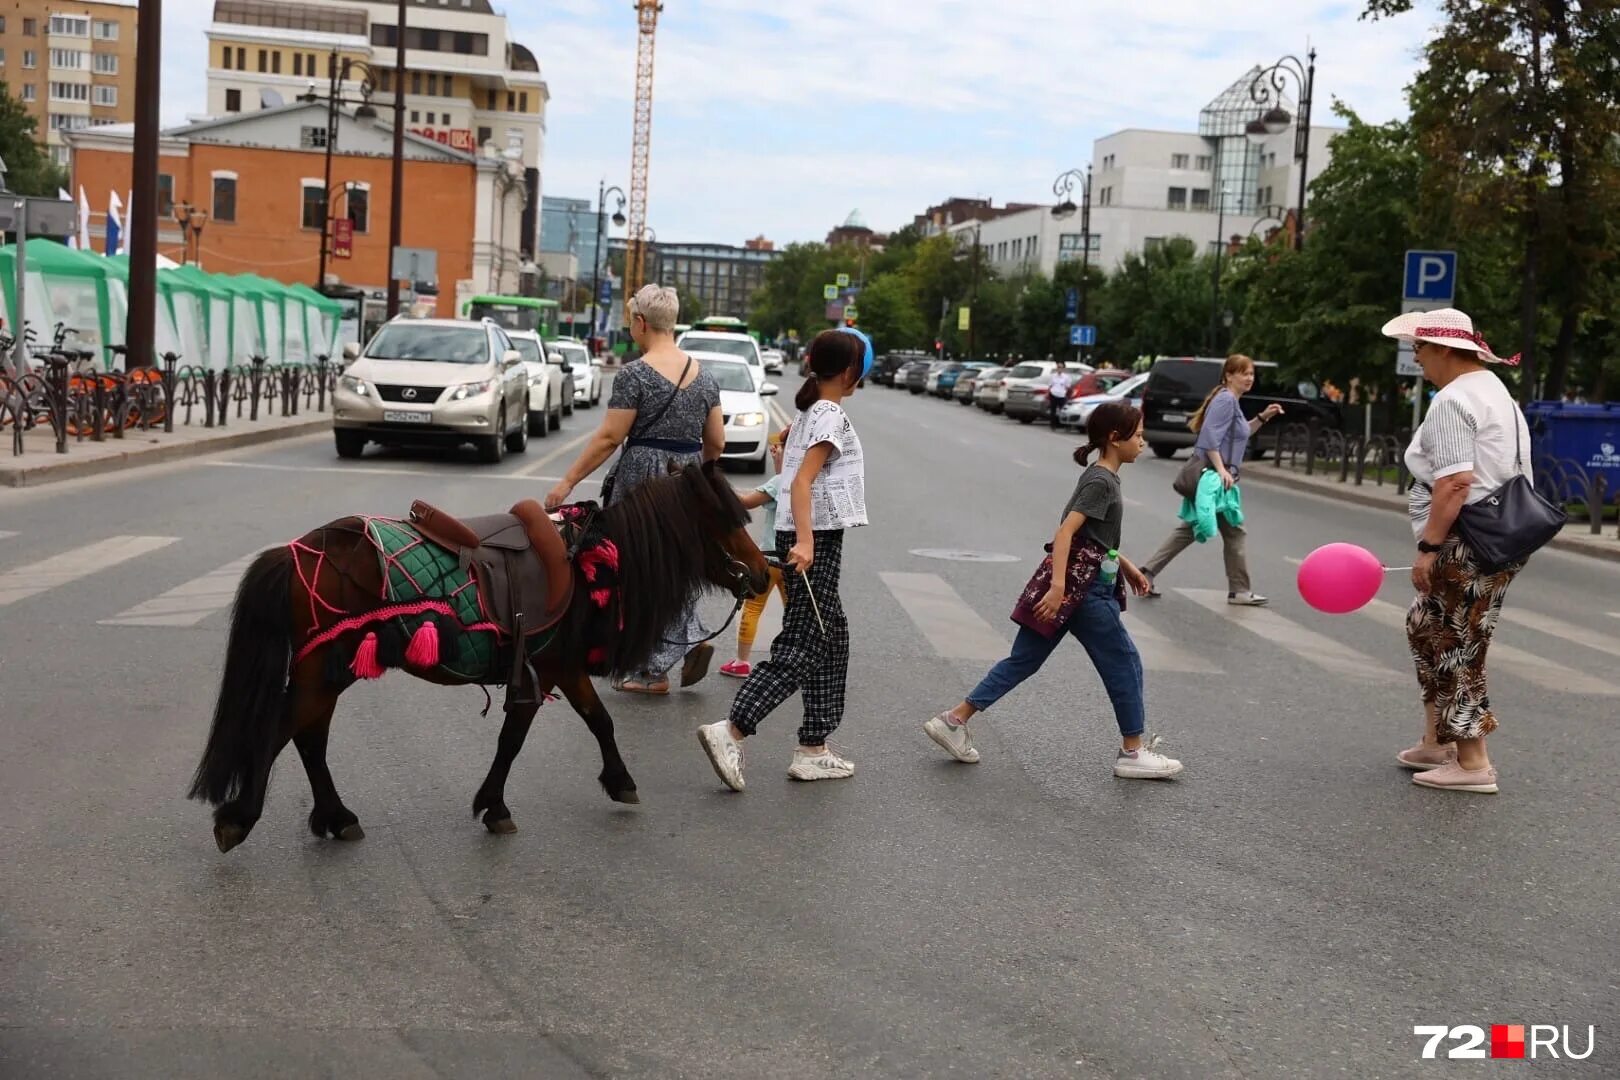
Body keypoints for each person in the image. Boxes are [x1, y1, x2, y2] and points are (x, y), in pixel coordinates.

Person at [921, 402, 1181, 779]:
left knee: (1023, 660)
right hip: (1085, 592)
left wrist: (1127, 566)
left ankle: (954, 720)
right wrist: (1059, 588)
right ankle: (1132, 752)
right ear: (1114, 437)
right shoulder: (1101, 482)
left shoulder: (1101, 476)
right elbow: (1065, 534)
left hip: (1075, 588)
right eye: (1138, 435)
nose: (1143, 442)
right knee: (1124, 663)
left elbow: (1093, 537)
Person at [697, 328, 871, 790]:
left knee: (832, 636)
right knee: (803, 644)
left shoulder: (810, 411)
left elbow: (792, 472)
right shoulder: (829, 415)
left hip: (807, 535)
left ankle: (814, 746)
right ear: (852, 371)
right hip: (816, 541)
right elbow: (801, 483)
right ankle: (731, 730)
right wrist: (809, 543)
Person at [545, 284, 724, 695]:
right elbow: (717, 443)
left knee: (639, 569)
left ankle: (653, 669)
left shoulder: (634, 374)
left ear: (641, 323)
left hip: (643, 479)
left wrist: (567, 482)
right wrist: (698, 479)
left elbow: (610, 438)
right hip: (688, 477)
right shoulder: (705, 376)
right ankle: (688, 636)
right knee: (676, 566)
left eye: (631, 324)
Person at [1384, 308, 1532, 794]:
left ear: (1446, 350)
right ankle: (1438, 740)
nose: (1417, 358)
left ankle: (1472, 763)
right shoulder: (1495, 392)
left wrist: (1428, 547)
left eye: (1420, 349)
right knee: (1424, 624)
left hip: (1466, 540)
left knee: (1456, 644)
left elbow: (1455, 482)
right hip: (1497, 536)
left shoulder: (1454, 399)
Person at [1139, 354, 1282, 606]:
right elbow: (1209, 438)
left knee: (1190, 529)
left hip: (1215, 478)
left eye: (1251, 374)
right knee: (1235, 532)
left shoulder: (1231, 401)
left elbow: (1241, 433)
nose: (1249, 378)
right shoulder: (1226, 400)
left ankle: (1145, 575)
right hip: (1213, 478)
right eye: (1244, 373)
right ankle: (1239, 590)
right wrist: (1222, 470)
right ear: (1229, 375)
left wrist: (1263, 417)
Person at [720, 427, 791, 679]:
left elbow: (746, 502)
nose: (774, 451)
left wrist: (720, 491)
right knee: (794, 612)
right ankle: (795, 659)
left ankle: (741, 661)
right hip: (795, 561)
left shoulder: (779, 482)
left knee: (752, 608)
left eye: (778, 448)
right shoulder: (807, 478)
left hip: (770, 559)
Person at [1047, 359, 1075, 430]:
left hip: (1062, 395)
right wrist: (1049, 393)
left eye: (1061, 367)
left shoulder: (1066, 377)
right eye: (1058, 367)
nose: (1059, 369)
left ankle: (1066, 425)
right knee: (1053, 411)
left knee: (1063, 411)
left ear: (1063, 368)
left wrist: (1067, 394)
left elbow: (1068, 387)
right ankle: (1053, 425)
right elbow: (1050, 385)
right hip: (1053, 394)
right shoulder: (1053, 376)